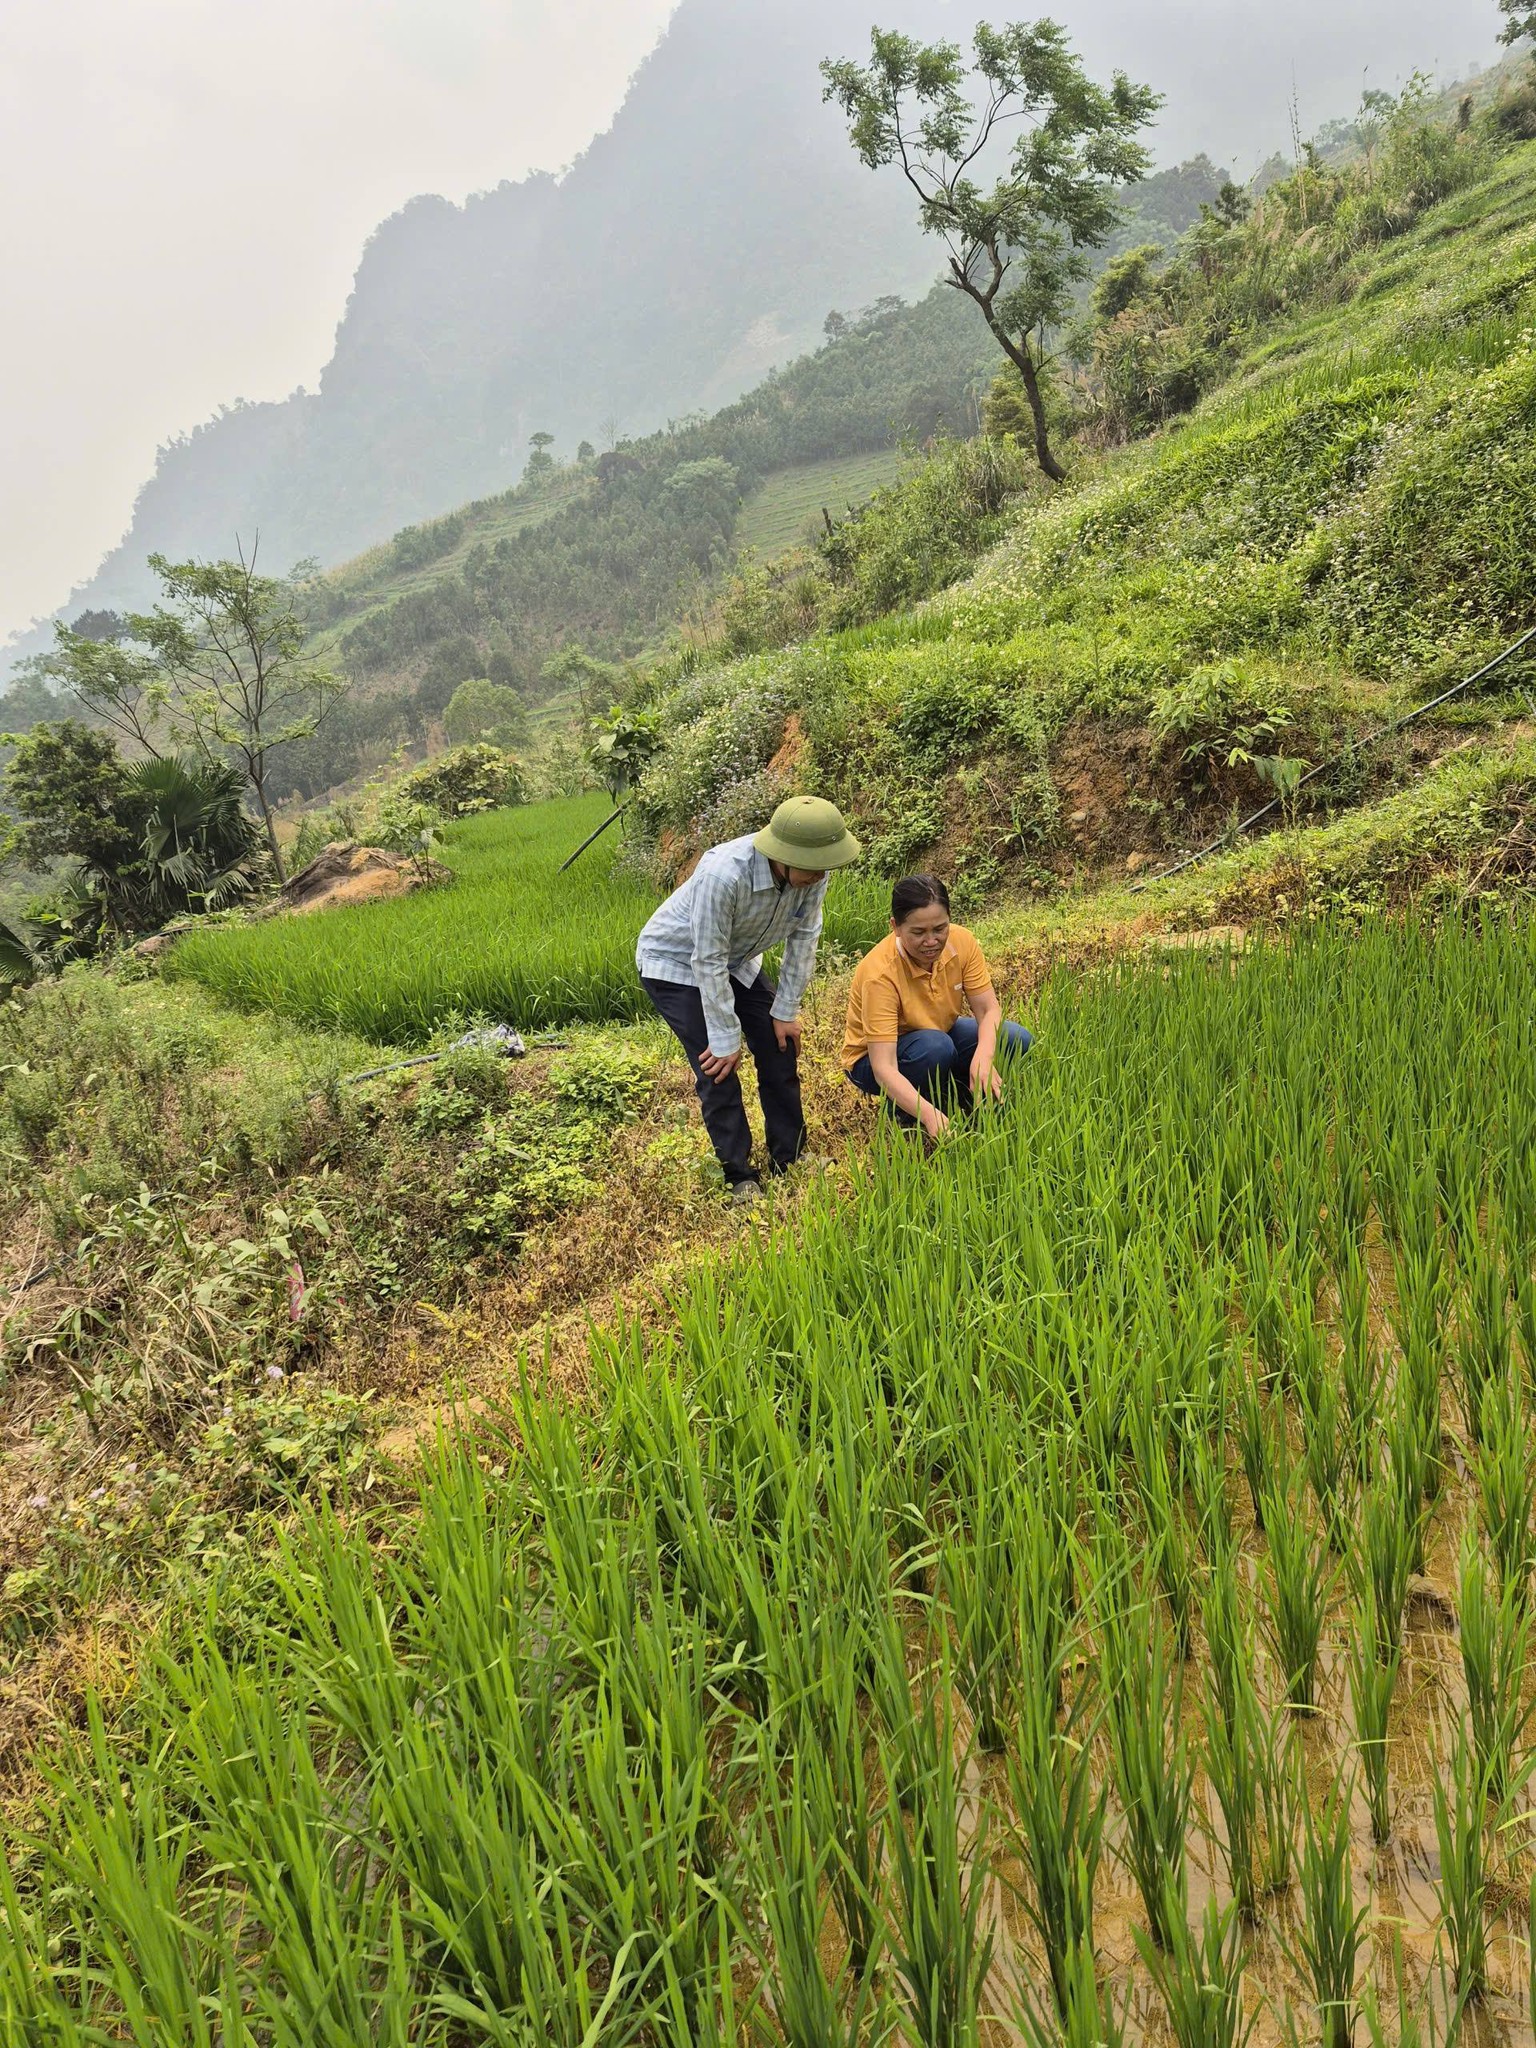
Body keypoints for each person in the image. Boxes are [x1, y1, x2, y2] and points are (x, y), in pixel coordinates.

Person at [637, 794, 862, 1201]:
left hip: (736, 960)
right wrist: (725, 1036)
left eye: (825, 865)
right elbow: (705, 959)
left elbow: (805, 937)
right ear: (785, 854)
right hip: (675, 963)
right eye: (812, 867)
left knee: (780, 1044)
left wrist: (786, 1009)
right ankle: (739, 1175)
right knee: (717, 1065)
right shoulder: (724, 875)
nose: (820, 875)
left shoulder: (813, 873)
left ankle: (789, 1157)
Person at [842, 873, 1032, 1141]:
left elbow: (989, 1009)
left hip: (938, 1033)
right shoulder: (880, 974)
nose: (931, 941)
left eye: (939, 929)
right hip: (873, 1060)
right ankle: (905, 1113)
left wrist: (984, 1058)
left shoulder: (962, 941)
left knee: (1015, 1039)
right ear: (895, 926)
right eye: (918, 932)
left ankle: (964, 1093)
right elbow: (883, 1067)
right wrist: (929, 1115)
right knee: (935, 1049)